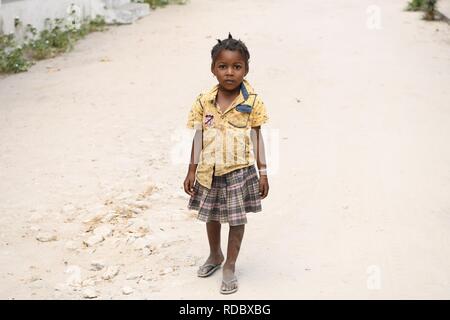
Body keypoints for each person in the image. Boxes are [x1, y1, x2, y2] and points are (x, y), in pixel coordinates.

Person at [183, 33, 269, 295]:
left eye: (237, 66)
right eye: (223, 66)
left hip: (239, 172)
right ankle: (215, 255)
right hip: (209, 171)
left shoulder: (252, 101)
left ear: (246, 68)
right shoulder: (203, 100)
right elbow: (199, 135)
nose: (230, 72)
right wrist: (191, 169)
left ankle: (230, 265)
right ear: (213, 69)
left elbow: (256, 136)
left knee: (235, 218)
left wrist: (263, 171)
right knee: (211, 215)